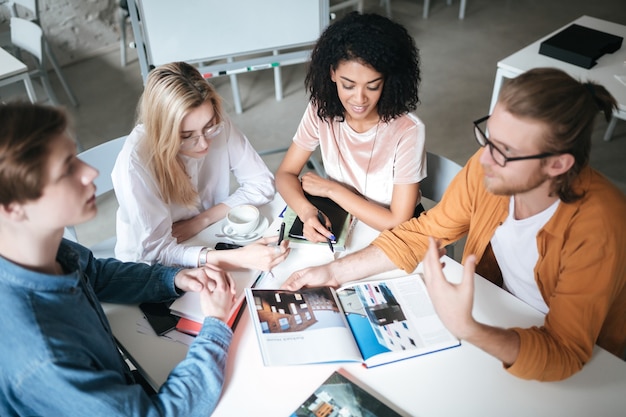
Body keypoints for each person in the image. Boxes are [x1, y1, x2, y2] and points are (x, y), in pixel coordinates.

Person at [282, 67, 626, 381]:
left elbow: (565, 350)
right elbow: (424, 230)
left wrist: (468, 327)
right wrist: (333, 273)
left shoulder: (600, 227)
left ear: (558, 165)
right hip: (498, 308)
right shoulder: (490, 167)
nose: (484, 159)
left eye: (504, 150)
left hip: (579, 359)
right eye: (488, 137)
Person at [0, 102, 236, 416]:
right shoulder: (44, 356)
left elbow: (94, 274)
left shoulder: (36, 249)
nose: (90, 173)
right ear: (13, 207)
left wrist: (172, 278)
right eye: (67, 167)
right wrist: (216, 327)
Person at [113, 61, 289, 270]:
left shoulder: (215, 121)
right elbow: (156, 252)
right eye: (187, 136)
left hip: (207, 235)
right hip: (152, 268)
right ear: (163, 132)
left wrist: (201, 221)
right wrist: (238, 258)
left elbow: (262, 184)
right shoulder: (135, 163)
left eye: (209, 128)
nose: (204, 143)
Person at [275, 12, 426, 244]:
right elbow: (285, 174)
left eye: (373, 86)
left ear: (387, 80)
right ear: (332, 73)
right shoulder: (321, 108)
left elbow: (397, 221)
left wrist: (331, 190)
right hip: (343, 219)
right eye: (348, 85)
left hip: (393, 236)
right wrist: (306, 212)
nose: (359, 99)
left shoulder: (408, 130)